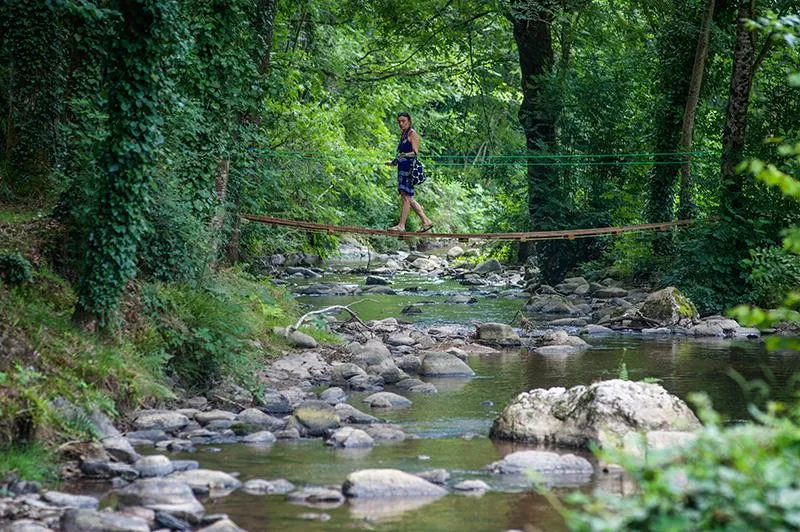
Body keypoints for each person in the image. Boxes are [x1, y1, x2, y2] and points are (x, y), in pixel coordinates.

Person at [386, 112, 433, 232]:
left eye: (403, 121)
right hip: (401, 168)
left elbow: (415, 152)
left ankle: (401, 225)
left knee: (406, 198)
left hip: (408, 169)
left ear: (409, 121)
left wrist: (402, 156)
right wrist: (394, 162)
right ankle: (426, 221)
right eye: (399, 122)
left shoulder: (412, 134)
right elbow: (401, 154)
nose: (401, 124)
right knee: (409, 198)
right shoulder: (403, 134)